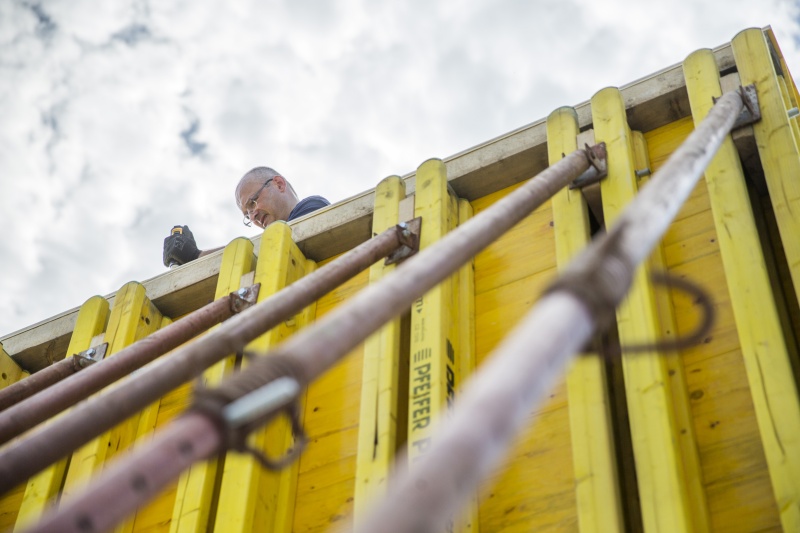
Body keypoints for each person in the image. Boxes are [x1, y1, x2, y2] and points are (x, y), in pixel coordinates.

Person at [162, 167, 330, 267]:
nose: (253, 216)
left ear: (279, 184)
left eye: (253, 202)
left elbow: (276, 246)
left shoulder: (313, 207)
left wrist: (196, 256)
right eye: (247, 215)